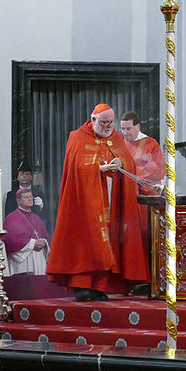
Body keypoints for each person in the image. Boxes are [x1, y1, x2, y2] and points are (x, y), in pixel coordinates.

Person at [46, 103, 148, 301]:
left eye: (111, 122)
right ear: (93, 120)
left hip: (111, 199)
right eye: (104, 123)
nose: (108, 127)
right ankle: (82, 286)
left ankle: (101, 286)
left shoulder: (115, 138)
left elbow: (128, 162)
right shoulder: (78, 137)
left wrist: (121, 163)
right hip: (85, 203)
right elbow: (75, 169)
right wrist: (98, 170)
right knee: (86, 243)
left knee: (108, 242)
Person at [4, 188, 51, 276]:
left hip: (39, 259)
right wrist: (33, 243)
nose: (30, 199)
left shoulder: (36, 218)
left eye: (31, 196)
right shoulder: (12, 218)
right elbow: (11, 241)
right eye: (26, 197)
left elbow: (46, 237)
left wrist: (44, 242)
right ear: (18, 200)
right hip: (24, 261)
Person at [119, 111, 165, 195]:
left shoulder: (151, 143)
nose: (125, 133)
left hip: (146, 191)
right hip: (125, 189)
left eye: (128, 129)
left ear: (138, 126)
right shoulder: (120, 144)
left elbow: (158, 169)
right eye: (122, 129)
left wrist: (132, 175)